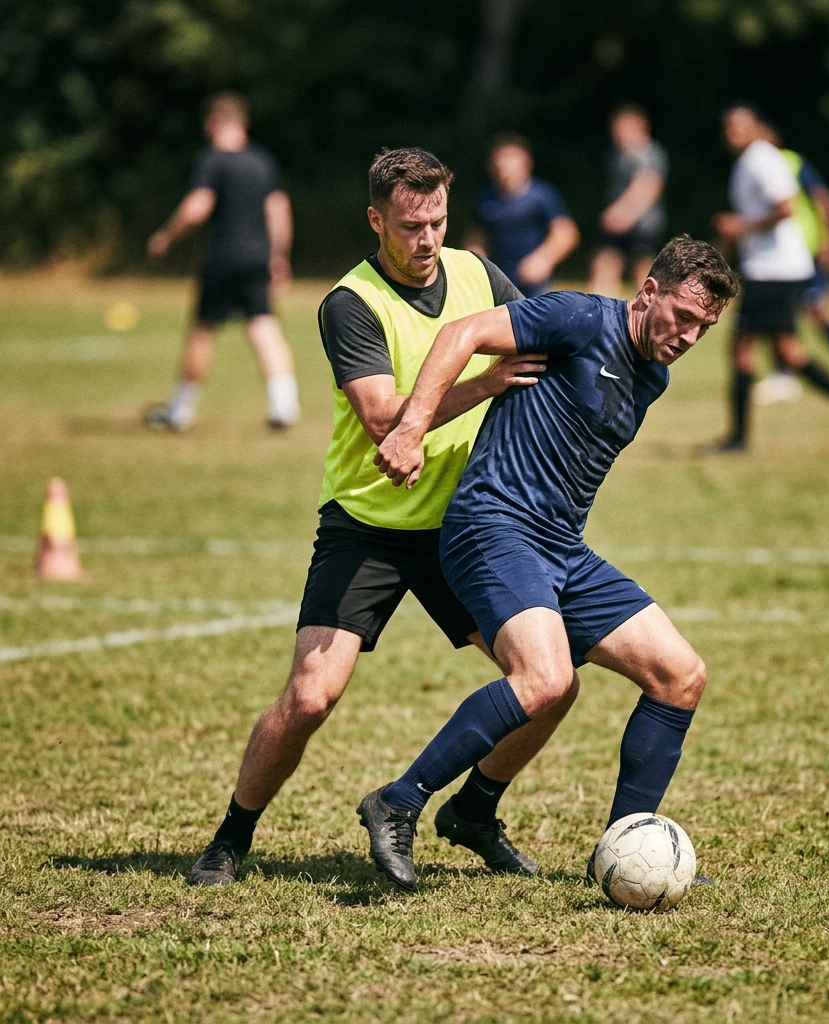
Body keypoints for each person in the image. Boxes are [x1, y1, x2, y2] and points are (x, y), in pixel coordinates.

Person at [186, 147, 578, 888]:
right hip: (368, 525)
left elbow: (545, 344)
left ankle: (475, 811)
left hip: (466, 525)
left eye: (436, 221)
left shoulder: (478, 274)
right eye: (409, 225)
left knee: (548, 683)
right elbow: (381, 417)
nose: (426, 238)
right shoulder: (350, 303)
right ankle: (230, 838)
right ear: (376, 220)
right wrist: (488, 380)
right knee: (310, 695)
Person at [360, 235, 740, 889]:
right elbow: (461, 333)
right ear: (648, 291)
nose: (689, 336)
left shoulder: (653, 375)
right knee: (546, 680)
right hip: (493, 527)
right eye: (683, 316)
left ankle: (612, 841)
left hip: (561, 545)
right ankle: (398, 800)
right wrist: (411, 426)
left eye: (704, 328)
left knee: (681, 676)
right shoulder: (577, 318)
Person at [709, 104, 829, 452]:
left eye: (739, 127)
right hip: (770, 268)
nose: (732, 134)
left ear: (755, 127)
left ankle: (739, 439)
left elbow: (786, 207)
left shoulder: (762, 159)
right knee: (788, 353)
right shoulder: (747, 163)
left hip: (775, 269)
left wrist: (741, 227)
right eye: (727, 129)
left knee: (744, 348)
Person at [146, 92, 300, 432]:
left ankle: (180, 411)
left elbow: (198, 206)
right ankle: (283, 405)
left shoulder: (213, 161)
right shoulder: (263, 161)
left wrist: (167, 236)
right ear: (243, 124)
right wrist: (278, 257)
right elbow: (278, 210)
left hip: (223, 257)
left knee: (203, 329)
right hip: (258, 257)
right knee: (263, 325)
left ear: (212, 123)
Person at [753, 136, 829, 406]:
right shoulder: (752, 168)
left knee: (817, 307)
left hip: (807, 251)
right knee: (778, 317)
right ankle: (784, 376)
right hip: (778, 259)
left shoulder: (791, 163)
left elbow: (823, 199)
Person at [465, 134, 579, 298]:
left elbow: (566, 233)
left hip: (533, 284)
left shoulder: (541, 195)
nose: (503, 164)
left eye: (510, 158)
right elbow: (477, 236)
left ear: (527, 162)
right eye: (499, 158)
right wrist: (475, 264)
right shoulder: (484, 197)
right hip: (498, 280)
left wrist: (543, 259)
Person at [587, 104, 669, 297]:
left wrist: (623, 213)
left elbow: (649, 185)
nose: (616, 132)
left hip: (643, 225)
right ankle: (601, 313)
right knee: (603, 263)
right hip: (619, 223)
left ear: (641, 126)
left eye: (623, 127)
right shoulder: (618, 154)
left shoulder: (648, 152)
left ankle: (651, 317)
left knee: (644, 274)